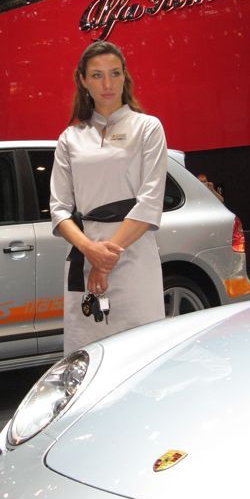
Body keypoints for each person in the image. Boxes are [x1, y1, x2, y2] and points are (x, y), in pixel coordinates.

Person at [50, 41, 167, 354]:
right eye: (97, 75)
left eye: (115, 73)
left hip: (134, 258)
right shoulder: (70, 138)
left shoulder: (147, 128)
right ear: (83, 81)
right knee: (87, 356)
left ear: (125, 76)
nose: (107, 84)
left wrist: (104, 262)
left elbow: (150, 202)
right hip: (84, 257)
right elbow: (59, 209)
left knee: (141, 352)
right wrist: (90, 251)